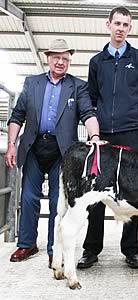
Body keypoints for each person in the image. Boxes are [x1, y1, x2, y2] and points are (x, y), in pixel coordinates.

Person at [4, 38, 100, 268]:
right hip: (34, 147)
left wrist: (94, 137)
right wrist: (10, 144)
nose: (60, 62)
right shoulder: (32, 83)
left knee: (59, 201)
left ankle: (53, 248)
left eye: (65, 59)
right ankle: (27, 243)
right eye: (56, 57)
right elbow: (17, 116)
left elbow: (88, 113)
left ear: (69, 61)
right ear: (48, 58)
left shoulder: (78, 86)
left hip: (62, 152)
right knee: (28, 198)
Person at [77, 6, 138, 270]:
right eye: (117, 23)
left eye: (126, 24)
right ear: (107, 25)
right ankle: (91, 249)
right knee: (97, 190)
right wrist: (94, 133)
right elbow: (92, 101)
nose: (121, 28)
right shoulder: (97, 63)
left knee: (131, 191)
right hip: (104, 136)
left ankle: (130, 250)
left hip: (132, 132)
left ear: (130, 28)